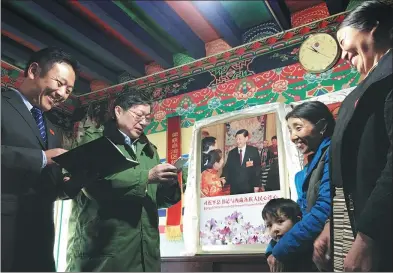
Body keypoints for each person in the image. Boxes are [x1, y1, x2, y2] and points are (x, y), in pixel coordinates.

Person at [313, 1, 393, 271]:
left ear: (372, 27)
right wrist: (333, 224)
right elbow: (346, 174)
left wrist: (369, 236)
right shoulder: (367, 86)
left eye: (342, 40)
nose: (343, 55)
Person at [66, 93, 182, 272]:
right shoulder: (95, 141)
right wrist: (147, 177)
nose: (144, 122)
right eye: (138, 115)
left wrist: (169, 184)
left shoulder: (149, 151)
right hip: (107, 249)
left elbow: (155, 200)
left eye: (148, 118)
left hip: (145, 251)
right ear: (118, 111)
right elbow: (95, 186)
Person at [1, 47, 85, 271]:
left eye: (69, 90)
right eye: (60, 83)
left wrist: (71, 184)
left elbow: (51, 186)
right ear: (34, 71)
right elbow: (42, 160)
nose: (63, 94)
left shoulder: (52, 128)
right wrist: (40, 158)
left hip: (41, 240)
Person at [266, 101, 334, 272]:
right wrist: (272, 247)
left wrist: (280, 250)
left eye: (298, 127)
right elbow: (299, 213)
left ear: (322, 126)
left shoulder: (332, 153)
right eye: (290, 130)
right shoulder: (311, 165)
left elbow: (323, 209)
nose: (292, 136)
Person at [263, 198, 315, 271]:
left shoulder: (307, 243)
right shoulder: (273, 246)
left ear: (297, 221)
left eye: (280, 221)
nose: (274, 229)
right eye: (269, 225)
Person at [221, 129, 261, 195]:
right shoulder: (232, 153)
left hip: (249, 187)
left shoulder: (253, 151)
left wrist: (256, 185)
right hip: (235, 188)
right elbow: (227, 168)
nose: (238, 141)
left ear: (246, 138)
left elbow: (257, 169)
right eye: (236, 139)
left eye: (240, 139)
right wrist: (224, 178)